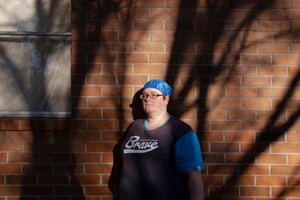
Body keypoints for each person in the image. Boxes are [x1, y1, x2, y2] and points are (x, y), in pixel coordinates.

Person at [112, 79, 204, 200]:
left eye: (154, 95)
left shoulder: (180, 131)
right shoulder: (134, 128)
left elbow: (194, 177)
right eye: (144, 95)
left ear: (166, 99)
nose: (147, 98)